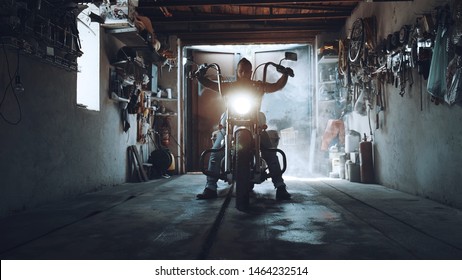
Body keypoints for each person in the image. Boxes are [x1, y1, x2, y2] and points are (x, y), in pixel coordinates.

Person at [195, 57, 292, 200]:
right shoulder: (228, 86)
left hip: (254, 117)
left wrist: (285, 75)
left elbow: (276, 86)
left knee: (269, 150)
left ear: (251, 72)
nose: (244, 73)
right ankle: (210, 187)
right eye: (241, 70)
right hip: (230, 117)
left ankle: (280, 186)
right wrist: (199, 75)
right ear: (237, 71)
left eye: (247, 71)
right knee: (216, 149)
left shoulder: (258, 85)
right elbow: (210, 84)